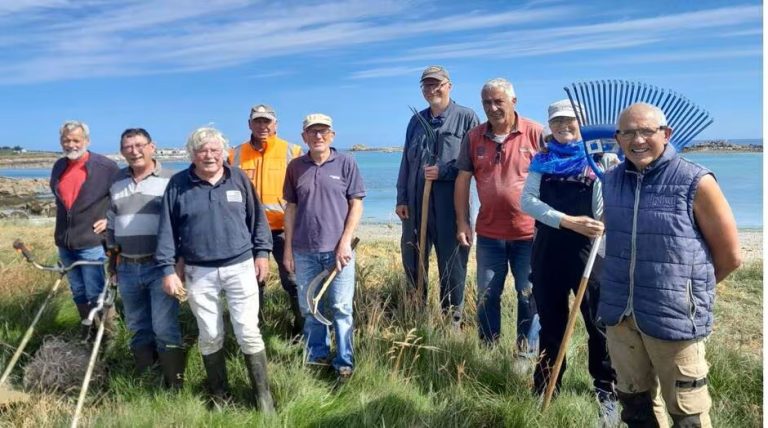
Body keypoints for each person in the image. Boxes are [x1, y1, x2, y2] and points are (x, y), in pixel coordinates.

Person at [600, 103, 741, 427]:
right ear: (617, 139)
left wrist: (685, 294)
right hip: (620, 317)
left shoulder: (696, 181)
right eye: (629, 132)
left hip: (674, 320)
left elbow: (730, 255)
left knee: (687, 416)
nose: (638, 140)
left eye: (647, 131)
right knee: (636, 410)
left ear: (666, 134)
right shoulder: (610, 182)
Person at [156, 127, 275, 412]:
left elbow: (257, 219)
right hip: (199, 271)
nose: (209, 155)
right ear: (193, 155)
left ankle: (263, 396)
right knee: (209, 333)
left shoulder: (239, 179)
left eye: (214, 150)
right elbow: (167, 230)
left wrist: (262, 254)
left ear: (224, 153)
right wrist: (168, 269)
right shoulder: (178, 185)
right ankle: (220, 394)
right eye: (202, 151)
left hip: (241, 266)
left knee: (248, 330)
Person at [520, 100, 618, 422]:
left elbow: (605, 210)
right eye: (558, 122)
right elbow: (528, 202)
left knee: (598, 325)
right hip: (548, 251)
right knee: (552, 325)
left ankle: (606, 390)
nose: (564, 127)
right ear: (550, 126)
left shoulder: (601, 160)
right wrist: (567, 220)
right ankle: (546, 387)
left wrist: (601, 216)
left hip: (588, 254)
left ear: (582, 123)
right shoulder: (542, 160)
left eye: (571, 122)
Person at [454, 78, 541, 353]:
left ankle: (524, 354)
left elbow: (553, 179)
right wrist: (462, 221)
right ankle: (489, 352)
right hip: (490, 234)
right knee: (486, 296)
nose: (492, 107)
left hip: (529, 233)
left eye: (498, 101)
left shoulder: (535, 133)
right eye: (487, 102)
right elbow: (462, 180)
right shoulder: (474, 137)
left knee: (528, 296)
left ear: (513, 102)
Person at [283, 113, 365, 382]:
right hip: (304, 251)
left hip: (338, 251)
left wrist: (344, 243)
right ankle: (316, 357)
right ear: (304, 136)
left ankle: (344, 362)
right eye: (312, 131)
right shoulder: (296, 166)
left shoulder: (346, 163)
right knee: (310, 308)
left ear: (332, 135)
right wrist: (287, 251)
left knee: (341, 307)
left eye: (323, 131)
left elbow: (356, 204)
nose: (318, 136)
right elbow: (291, 209)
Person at [396, 65, 479, 325]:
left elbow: (475, 162)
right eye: (427, 85)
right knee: (413, 258)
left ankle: (451, 320)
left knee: (452, 262)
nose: (432, 90)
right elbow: (406, 161)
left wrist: (444, 171)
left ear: (449, 86)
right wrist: (401, 198)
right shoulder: (416, 121)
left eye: (437, 84)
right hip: (416, 204)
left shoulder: (466, 117)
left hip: (449, 204)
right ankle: (416, 314)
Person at [106, 128, 184, 388]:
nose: (134, 151)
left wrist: (177, 266)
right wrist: (112, 263)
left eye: (140, 145)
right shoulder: (117, 181)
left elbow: (181, 226)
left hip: (159, 267)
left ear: (152, 147)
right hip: (126, 267)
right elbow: (111, 224)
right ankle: (148, 381)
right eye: (128, 146)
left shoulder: (171, 180)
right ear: (122, 151)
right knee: (138, 327)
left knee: (164, 327)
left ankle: (175, 385)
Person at [228, 104, 304, 338]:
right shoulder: (234, 154)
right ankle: (253, 331)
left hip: (284, 229)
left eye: (267, 121)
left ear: (276, 125)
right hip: (247, 231)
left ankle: (302, 330)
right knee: (252, 283)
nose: (263, 126)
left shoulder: (293, 151)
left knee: (293, 281)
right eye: (258, 121)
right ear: (249, 124)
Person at [50, 120, 119, 328]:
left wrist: (110, 218)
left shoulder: (106, 167)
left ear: (86, 141)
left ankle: (107, 335)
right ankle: (88, 330)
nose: (71, 145)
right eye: (66, 140)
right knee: (78, 291)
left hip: (92, 242)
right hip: (65, 242)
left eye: (76, 140)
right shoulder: (59, 166)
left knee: (96, 291)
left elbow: (122, 196)